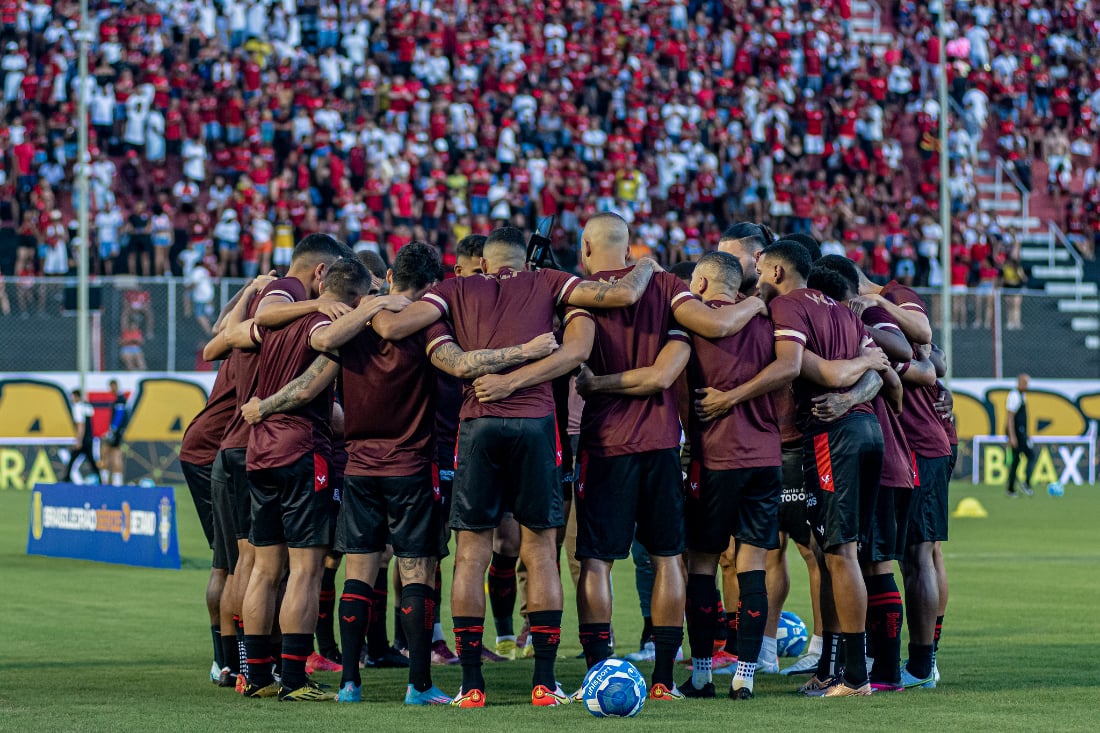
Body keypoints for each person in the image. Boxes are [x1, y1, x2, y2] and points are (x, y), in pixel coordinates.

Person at [368, 225, 661, 707]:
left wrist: (378, 303)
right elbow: (623, 294)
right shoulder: (549, 280)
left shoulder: (455, 287)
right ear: (525, 260)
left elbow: (393, 327)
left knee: (471, 554)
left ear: (482, 263)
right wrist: (646, 264)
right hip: (536, 425)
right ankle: (545, 682)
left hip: (478, 424)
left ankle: (471, 685)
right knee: (541, 551)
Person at [749, 240, 888, 697]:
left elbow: (815, 373)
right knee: (843, 553)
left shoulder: (788, 306)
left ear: (776, 271)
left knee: (839, 553)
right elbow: (879, 372)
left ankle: (853, 678)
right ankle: (836, 670)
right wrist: (861, 372)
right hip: (869, 432)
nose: (755, 275)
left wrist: (842, 391)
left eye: (758, 267)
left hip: (834, 435)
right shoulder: (844, 311)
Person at [236, 258, 375, 701]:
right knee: (306, 570)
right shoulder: (324, 323)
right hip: (300, 450)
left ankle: (255, 674)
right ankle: (294, 679)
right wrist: (371, 310)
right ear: (352, 296)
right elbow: (314, 375)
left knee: (264, 568)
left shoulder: (281, 321)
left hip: (260, 452)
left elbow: (253, 322)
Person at [678, 251, 782, 700]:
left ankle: (702, 675)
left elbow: (680, 390)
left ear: (700, 282)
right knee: (752, 565)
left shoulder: (694, 320)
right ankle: (745, 675)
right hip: (765, 456)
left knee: (701, 562)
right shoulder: (766, 323)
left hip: (715, 456)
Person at [1005, 373, 1036, 497]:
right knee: (1031, 455)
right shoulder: (1014, 396)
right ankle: (1026, 483)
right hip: (1017, 434)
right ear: (1020, 383)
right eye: (1026, 383)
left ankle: (1011, 489)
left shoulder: (1022, 395)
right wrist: (1012, 436)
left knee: (1016, 461)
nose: (1027, 385)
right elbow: (1010, 417)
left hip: (1021, 433)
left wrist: (1027, 434)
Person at [64, 389, 98, 483]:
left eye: (73, 396)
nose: (71, 399)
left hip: (83, 440)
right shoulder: (87, 407)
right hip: (89, 438)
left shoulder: (77, 408)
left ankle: (66, 479)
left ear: (77, 397)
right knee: (91, 461)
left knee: (72, 460)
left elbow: (80, 425)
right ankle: (99, 478)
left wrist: (79, 440)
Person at [100, 380, 128, 486]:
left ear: (114, 386)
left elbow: (119, 416)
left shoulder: (120, 399)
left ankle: (106, 481)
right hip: (119, 433)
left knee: (109, 454)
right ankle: (116, 481)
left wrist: (112, 430)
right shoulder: (121, 399)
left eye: (110, 387)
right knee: (115, 455)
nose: (110, 389)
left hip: (116, 433)